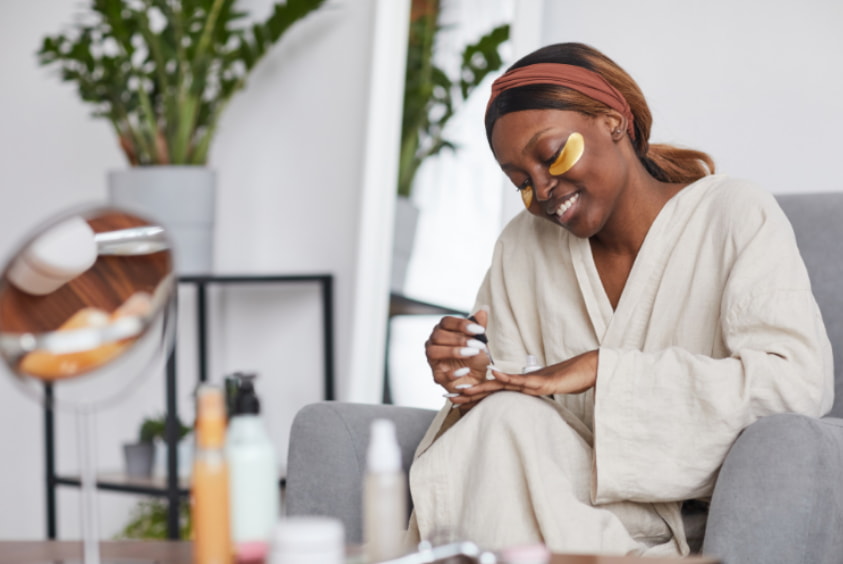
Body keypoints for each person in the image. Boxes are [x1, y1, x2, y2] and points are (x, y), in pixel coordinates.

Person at [405, 42, 833, 557]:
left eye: (552, 155)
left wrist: (602, 370)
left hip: (676, 521)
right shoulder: (523, 245)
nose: (542, 190)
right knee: (501, 420)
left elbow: (796, 386)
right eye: (521, 182)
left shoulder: (733, 214)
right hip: (548, 502)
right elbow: (514, 424)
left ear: (614, 121)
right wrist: (477, 378)